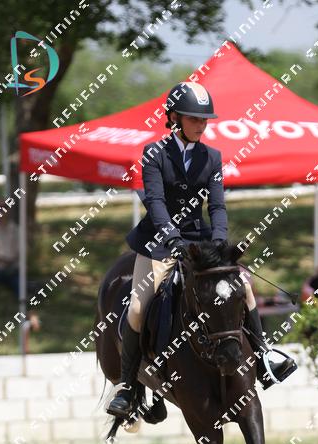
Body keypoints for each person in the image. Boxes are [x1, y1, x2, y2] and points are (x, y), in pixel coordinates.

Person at [107, 82, 296, 418]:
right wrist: (172, 238)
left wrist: (220, 243)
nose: (201, 125)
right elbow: (156, 202)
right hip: (158, 244)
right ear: (174, 118)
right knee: (137, 308)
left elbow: (218, 206)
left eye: (204, 119)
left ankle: (264, 357)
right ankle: (127, 387)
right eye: (195, 118)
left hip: (201, 242)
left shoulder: (212, 157)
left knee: (244, 288)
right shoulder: (155, 153)